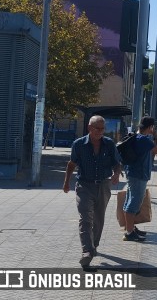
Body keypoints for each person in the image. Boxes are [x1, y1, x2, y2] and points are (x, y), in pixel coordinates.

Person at [63, 115, 121, 269]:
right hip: (84, 186)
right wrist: (66, 182)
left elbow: (117, 163)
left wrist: (116, 174)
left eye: (103, 129)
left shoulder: (109, 144)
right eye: (97, 129)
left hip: (103, 185)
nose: (101, 132)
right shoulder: (79, 144)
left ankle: (94, 244)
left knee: (98, 219)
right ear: (89, 128)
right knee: (85, 218)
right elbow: (71, 164)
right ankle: (87, 251)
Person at [122, 116, 157, 241]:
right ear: (150, 127)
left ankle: (130, 228)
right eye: (153, 128)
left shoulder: (136, 137)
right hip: (139, 175)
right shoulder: (144, 140)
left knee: (130, 201)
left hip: (133, 173)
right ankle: (129, 233)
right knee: (134, 203)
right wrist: (156, 136)